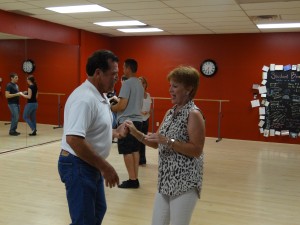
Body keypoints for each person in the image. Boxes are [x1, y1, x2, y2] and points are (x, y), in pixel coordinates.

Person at [125, 66, 206, 225]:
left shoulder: (194, 114)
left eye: (175, 86)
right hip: (165, 181)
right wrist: (134, 132)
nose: (170, 90)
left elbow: (196, 150)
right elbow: (156, 143)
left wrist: (168, 141)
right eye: (170, 85)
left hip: (185, 183)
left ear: (189, 88)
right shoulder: (170, 112)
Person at [58, 49, 128, 225]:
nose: (116, 78)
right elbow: (73, 139)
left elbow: (92, 129)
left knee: (97, 211)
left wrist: (115, 132)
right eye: (113, 74)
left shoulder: (100, 96)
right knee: (85, 220)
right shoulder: (85, 99)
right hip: (78, 165)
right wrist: (105, 167)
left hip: (89, 164)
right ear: (98, 73)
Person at [111, 59, 144, 189]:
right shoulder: (140, 84)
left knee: (127, 151)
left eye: (123, 68)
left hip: (126, 121)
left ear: (128, 68)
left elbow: (122, 105)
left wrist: (111, 107)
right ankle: (135, 178)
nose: (122, 70)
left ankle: (132, 179)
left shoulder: (127, 83)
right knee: (135, 150)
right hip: (138, 121)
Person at [138, 76, 152, 166]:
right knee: (137, 140)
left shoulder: (148, 95)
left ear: (145, 84)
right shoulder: (135, 95)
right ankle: (136, 159)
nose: (141, 85)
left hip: (146, 119)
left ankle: (142, 160)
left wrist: (148, 112)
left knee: (144, 140)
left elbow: (150, 108)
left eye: (143, 83)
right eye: (139, 83)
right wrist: (140, 112)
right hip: (138, 120)